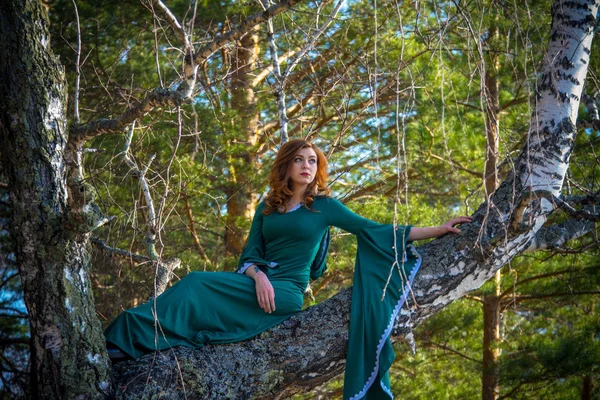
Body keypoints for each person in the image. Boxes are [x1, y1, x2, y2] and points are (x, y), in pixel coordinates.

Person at [104, 139, 471, 399]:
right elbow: (249, 256)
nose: (307, 166)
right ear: (287, 166)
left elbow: (374, 231)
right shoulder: (268, 208)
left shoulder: (324, 207)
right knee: (196, 285)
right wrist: (258, 275)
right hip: (256, 284)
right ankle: (130, 338)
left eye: (313, 161)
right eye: (300, 160)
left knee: (198, 284)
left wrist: (438, 228)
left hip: (286, 293)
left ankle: (127, 339)